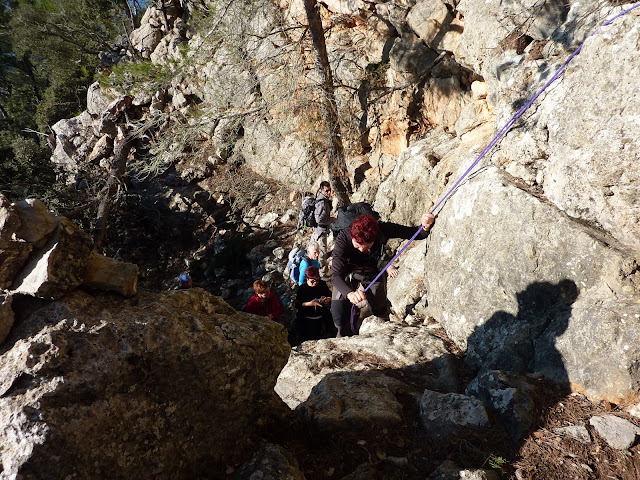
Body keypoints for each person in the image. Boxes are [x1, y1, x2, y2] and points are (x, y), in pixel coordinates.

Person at [330, 212, 436, 337]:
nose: (362, 250)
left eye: (367, 247)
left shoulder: (382, 230)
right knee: (338, 311)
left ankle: (381, 335)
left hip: (373, 272)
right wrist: (349, 293)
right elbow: (336, 276)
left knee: (379, 310)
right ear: (352, 237)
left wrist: (425, 226)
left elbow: (414, 233)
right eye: (357, 246)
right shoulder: (343, 240)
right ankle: (341, 335)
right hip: (347, 273)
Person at [294, 266, 332, 341]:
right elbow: (297, 304)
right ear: (307, 278)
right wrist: (309, 304)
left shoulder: (322, 284)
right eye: (312, 281)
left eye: (317, 280)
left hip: (321, 318)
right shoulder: (302, 288)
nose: (315, 283)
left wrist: (328, 299)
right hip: (306, 320)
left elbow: (330, 295)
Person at [311, 181, 332, 270]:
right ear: (321, 190)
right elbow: (319, 220)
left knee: (315, 252)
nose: (329, 192)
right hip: (321, 231)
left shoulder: (321, 199)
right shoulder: (322, 202)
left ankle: (313, 270)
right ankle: (322, 273)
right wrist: (331, 220)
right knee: (322, 254)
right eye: (327, 191)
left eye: (330, 190)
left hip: (317, 230)